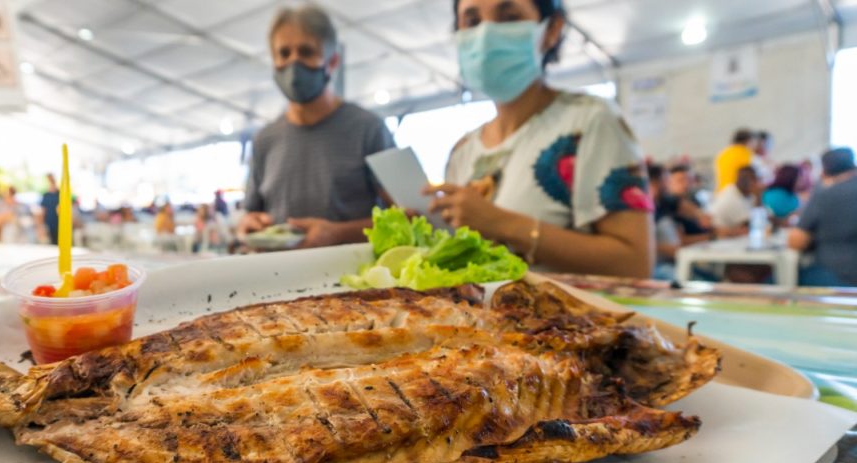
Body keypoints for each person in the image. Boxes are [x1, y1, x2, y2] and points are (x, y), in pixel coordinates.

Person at [423, 0, 654, 278]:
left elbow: (635, 264)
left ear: (552, 29)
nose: (486, 35)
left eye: (509, 17)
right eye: (472, 22)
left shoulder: (589, 121)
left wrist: (502, 223)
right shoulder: (463, 151)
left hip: (567, 319)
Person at [240, 4, 396, 249]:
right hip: (275, 278)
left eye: (306, 51)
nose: (294, 63)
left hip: (350, 280)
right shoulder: (264, 140)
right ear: (274, 62)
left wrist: (338, 233)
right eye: (284, 53)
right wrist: (248, 224)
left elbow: (406, 216)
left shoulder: (369, 129)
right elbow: (250, 213)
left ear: (332, 61)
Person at [788, 148, 857, 287]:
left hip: (837, 275)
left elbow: (795, 241)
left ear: (824, 170)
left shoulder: (825, 193)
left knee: (772, 280)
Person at [709, 166, 760, 238]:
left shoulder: (743, 194)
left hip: (730, 236)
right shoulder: (730, 196)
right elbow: (753, 223)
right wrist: (758, 196)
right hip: (718, 237)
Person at [714, 129, 755, 194]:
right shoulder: (746, 153)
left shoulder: (723, 154)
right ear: (747, 141)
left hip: (720, 193)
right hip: (736, 193)